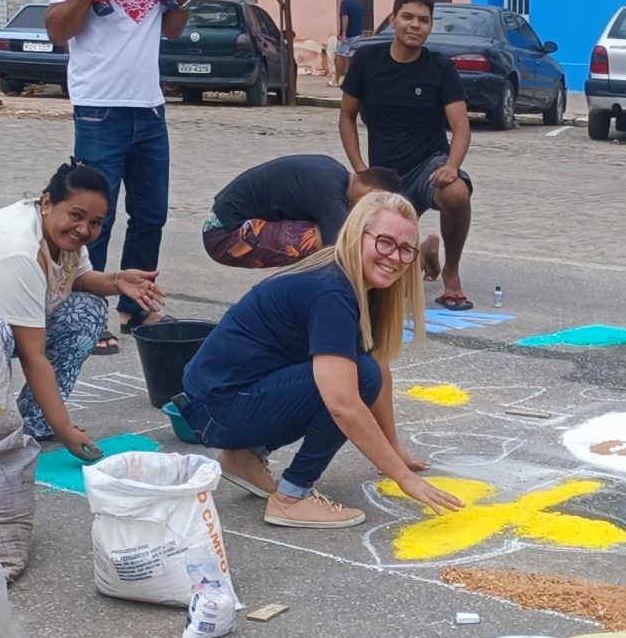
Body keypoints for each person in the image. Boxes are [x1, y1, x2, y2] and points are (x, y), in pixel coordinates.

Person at [177, 192, 465, 529]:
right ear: (358, 234)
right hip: (217, 409)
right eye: (384, 242)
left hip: (220, 402)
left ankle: (244, 457)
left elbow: (378, 367)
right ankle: (292, 497)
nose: (395, 257)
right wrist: (403, 477)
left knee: (362, 370)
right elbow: (344, 402)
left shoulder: (353, 280)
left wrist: (394, 448)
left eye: (405, 249)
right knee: (355, 379)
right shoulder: (331, 290)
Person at [0, 159, 164, 461]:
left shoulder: (60, 234)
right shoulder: (19, 249)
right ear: (47, 202)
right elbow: (33, 355)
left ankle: (35, 421)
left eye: (96, 222)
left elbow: (79, 280)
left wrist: (117, 280)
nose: (84, 229)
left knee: (88, 311)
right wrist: (66, 429)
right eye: (77, 216)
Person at [47, 0, 194, 354]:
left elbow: (173, 30)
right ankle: (86, 310)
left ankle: (137, 306)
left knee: (151, 215)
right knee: (95, 220)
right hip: (99, 109)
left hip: (149, 108)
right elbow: (55, 31)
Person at [339, 0, 478, 309]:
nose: (416, 25)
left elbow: (460, 127)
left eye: (424, 20)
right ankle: (423, 253)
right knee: (371, 275)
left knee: (457, 194)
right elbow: (346, 117)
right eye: (408, 17)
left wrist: (451, 166)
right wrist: (361, 170)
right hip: (384, 176)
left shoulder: (440, 68)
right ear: (393, 20)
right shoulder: (367, 61)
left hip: (428, 166)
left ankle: (451, 275)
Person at [203, 157, 403, 270]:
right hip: (224, 236)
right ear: (372, 194)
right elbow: (343, 251)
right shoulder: (329, 195)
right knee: (325, 244)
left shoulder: (334, 171)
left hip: (224, 222)